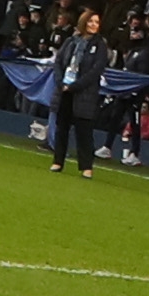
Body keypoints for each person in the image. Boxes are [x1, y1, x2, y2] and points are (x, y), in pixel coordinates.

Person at [49, 12, 117, 176]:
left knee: (84, 131)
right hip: (64, 90)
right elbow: (58, 62)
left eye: (96, 22)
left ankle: (86, 167)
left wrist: (76, 85)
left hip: (84, 93)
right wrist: (61, 83)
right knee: (61, 128)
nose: (94, 24)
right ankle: (58, 161)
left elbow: (96, 70)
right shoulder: (71, 41)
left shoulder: (100, 45)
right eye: (91, 21)